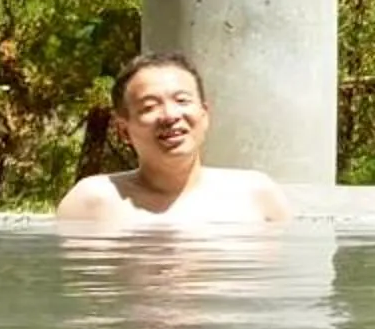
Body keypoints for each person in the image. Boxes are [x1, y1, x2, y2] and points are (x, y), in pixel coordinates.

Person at [57, 53, 294, 227]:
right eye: (149, 106)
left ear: (204, 114)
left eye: (182, 101)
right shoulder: (91, 202)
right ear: (123, 130)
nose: (170, 115)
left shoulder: (258, 196)